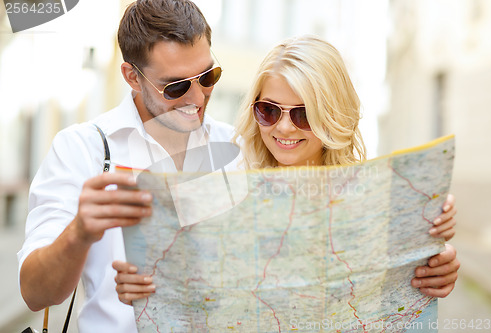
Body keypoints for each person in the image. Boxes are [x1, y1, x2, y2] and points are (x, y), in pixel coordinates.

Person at [113, 35, 459, 307]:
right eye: (268, 110)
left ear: (332, 115)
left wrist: (436, 262)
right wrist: (142, 287)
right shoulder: (222, 186)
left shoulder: (377, 198)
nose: (284, 129)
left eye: (303, 114)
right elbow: (171, 271)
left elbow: (407, 281)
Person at [17, 0, 239, 332]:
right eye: (176, 86)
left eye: (208, 76)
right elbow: (35, 294)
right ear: (132, 76)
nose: (197, 98)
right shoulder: (82, 149)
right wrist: (78, 233)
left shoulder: (236, 147)